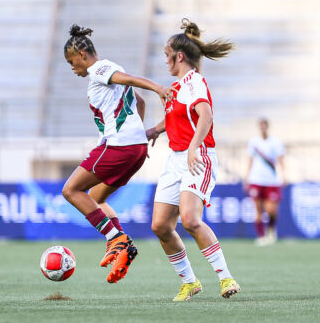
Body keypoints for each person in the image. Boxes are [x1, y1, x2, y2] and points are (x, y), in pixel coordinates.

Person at [61, 24, 172, 283]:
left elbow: (133, 81)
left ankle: (115, 239)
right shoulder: (109, 68)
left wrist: (158, 88)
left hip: (117, 146)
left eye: (71, 61)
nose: (72, 67)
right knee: (96, 198)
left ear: (81, 53)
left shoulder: (99, 69)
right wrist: (141, 135)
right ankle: (126, 246)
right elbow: (139, 102)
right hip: (134, 148)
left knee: (71, 190)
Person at [147, 19, 240, 301]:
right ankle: (190, 282)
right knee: (160, 226)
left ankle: (226, 278)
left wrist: (193, 147)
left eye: (167, 55)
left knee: (189, 219)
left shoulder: (195, 81)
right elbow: (177, 117)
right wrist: (155, 129)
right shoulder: (176, 87)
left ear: (179, 56)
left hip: (197, 157)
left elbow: (206, 115)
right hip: (175, 159)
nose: (165, 60)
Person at [245, 118, 285, 246]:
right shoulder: (253, 142)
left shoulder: (276, 142)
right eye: (260, 126)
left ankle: (271, 231)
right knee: (257, 209)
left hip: (271, 180)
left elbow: (280, 159)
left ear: (267, 127)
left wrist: (283, 174)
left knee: (271, 209)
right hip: (256, 179)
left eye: (264, 126)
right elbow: (250, 159)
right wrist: (247, 177)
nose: (262, 128)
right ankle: (261, 236)